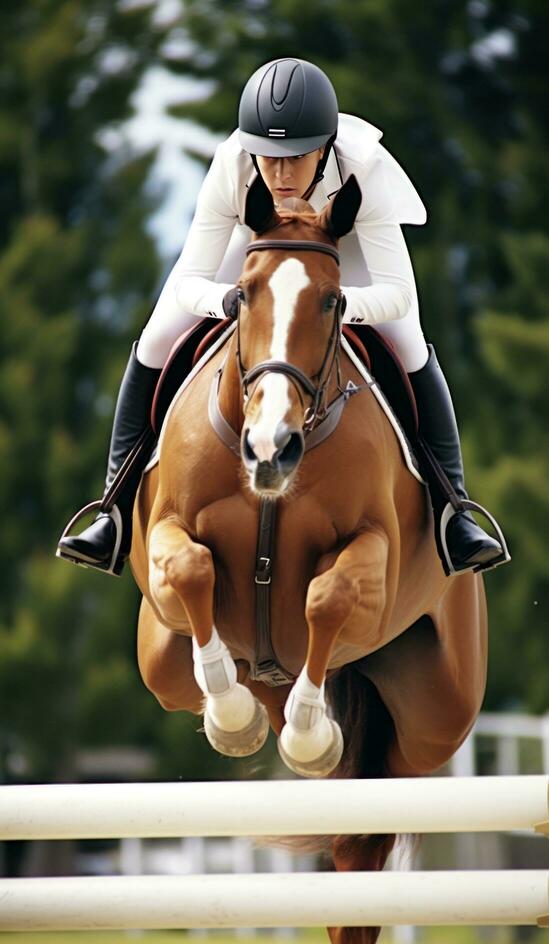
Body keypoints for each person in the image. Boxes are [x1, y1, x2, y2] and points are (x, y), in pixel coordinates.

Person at [57, 57, 507, 578]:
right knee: (156, 339)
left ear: (326, 146)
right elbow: (187, 281)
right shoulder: (234, 165)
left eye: (295, 158)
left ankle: (454, 511)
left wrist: (340, 309)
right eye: (268, 158)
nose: (280, 173)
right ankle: (112, 510)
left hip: (346, 250)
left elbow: (399, 295)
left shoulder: (364, 170)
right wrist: (226, 302)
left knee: (408, 347)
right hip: (256, 244)